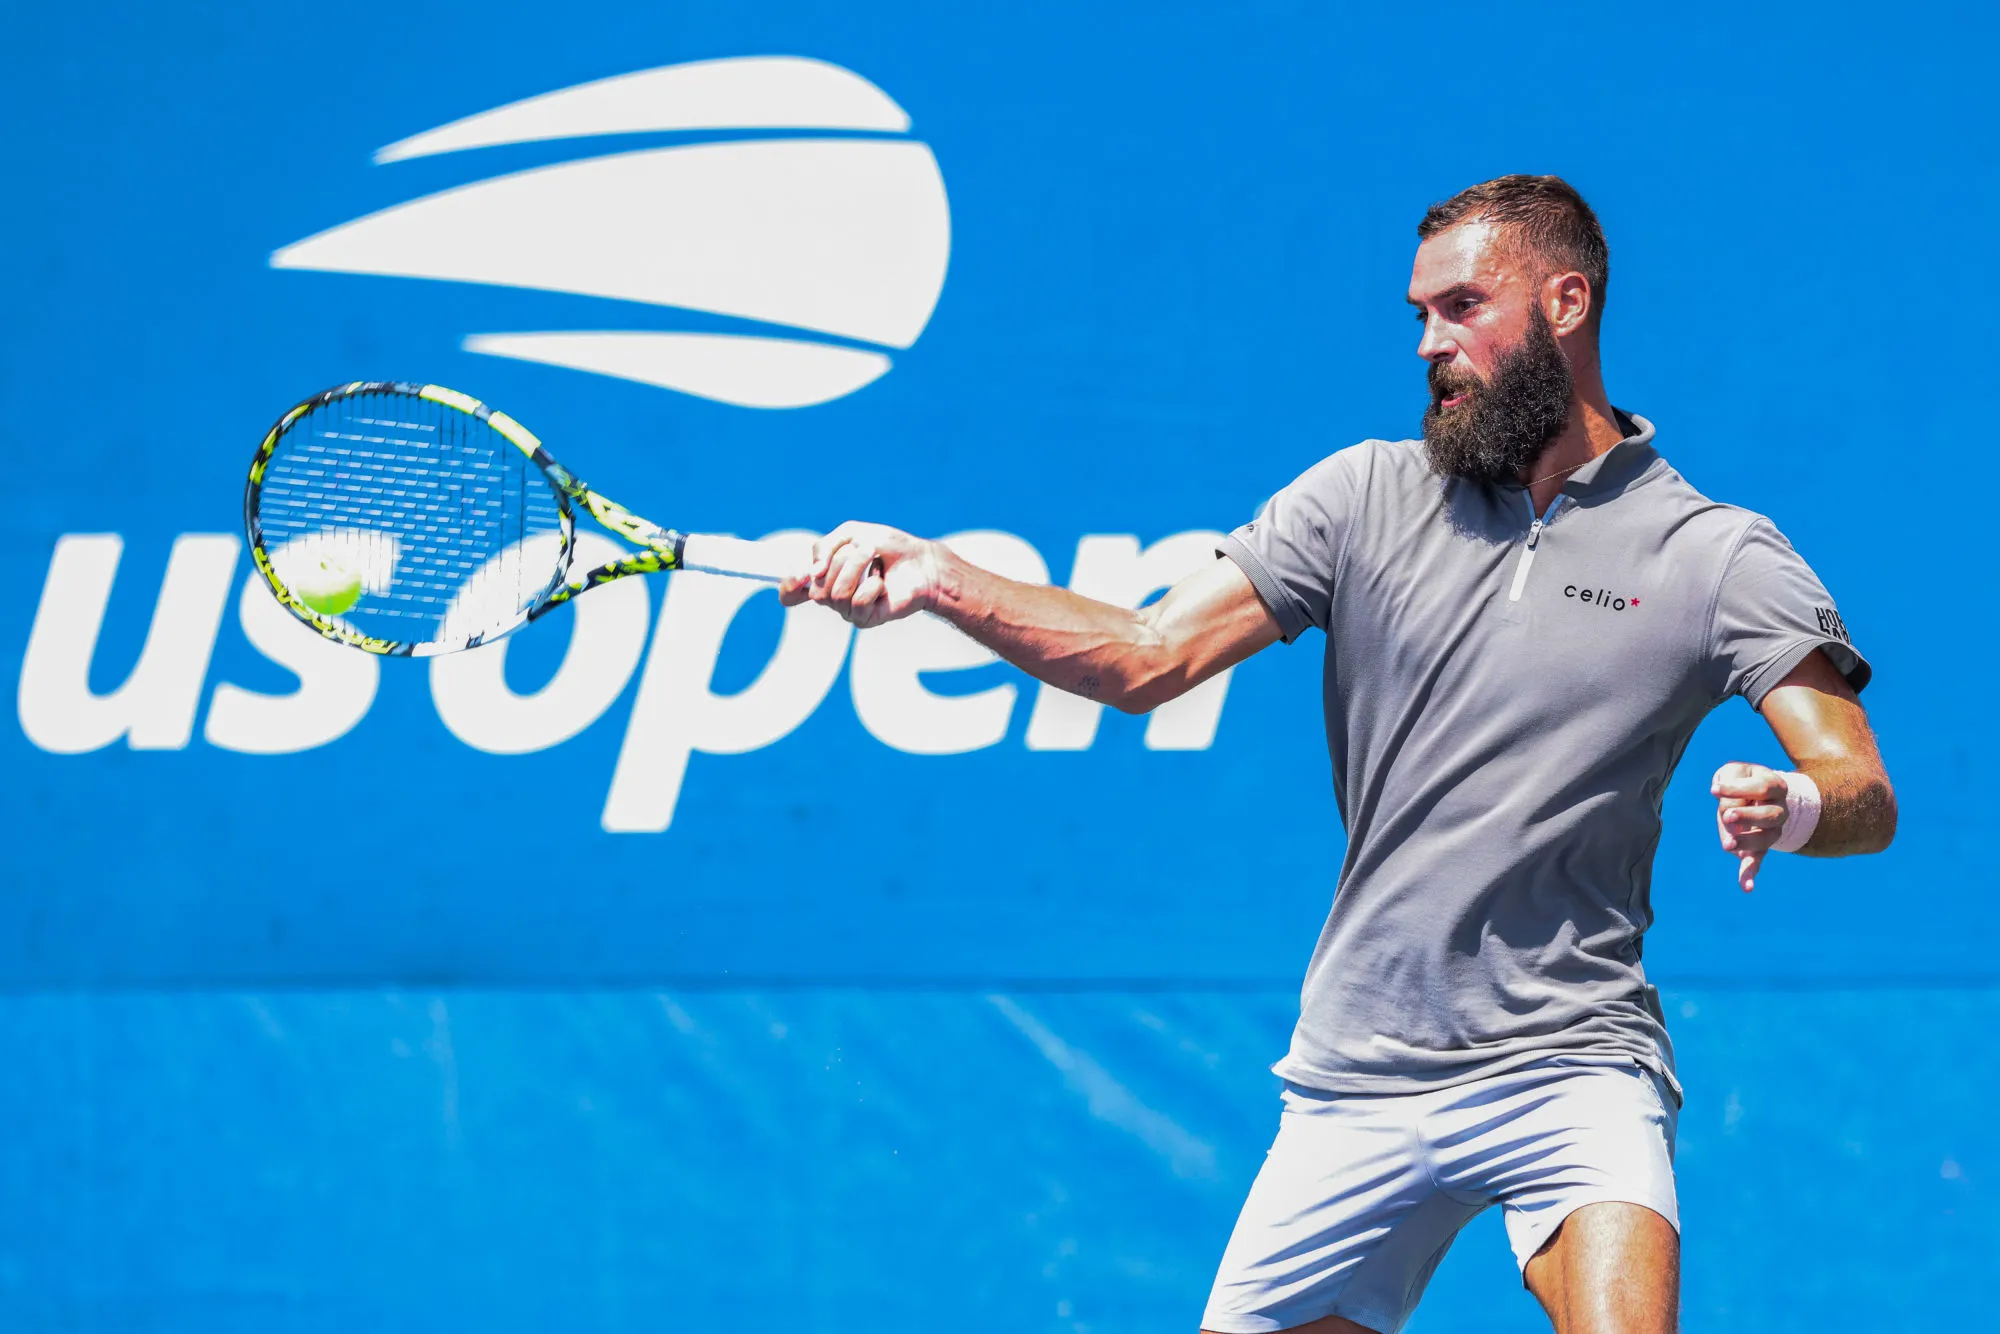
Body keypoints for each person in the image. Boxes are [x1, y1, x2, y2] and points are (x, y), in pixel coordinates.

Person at [778, 174, 1896, 1334]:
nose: (1429, 344)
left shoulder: (1715, 554)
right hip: (1356, 1076)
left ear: (1565, 304)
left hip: (1570, 1059)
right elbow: (1146, 653)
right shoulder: (1360, 495)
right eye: (1418, 314)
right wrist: (940, 577)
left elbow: (1862, 788)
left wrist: (1795, 804)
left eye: (1462, 307)